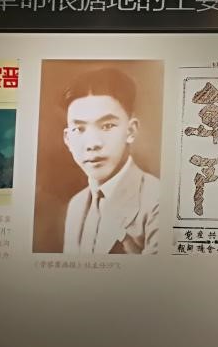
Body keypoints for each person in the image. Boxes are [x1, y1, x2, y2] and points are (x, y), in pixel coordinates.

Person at [60, 67, 159, 255]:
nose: (92, 144)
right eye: (79, 129)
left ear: (130, 131)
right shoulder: (76, 205)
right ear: (68, 140)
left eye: (107, 126)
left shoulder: (156, 201)